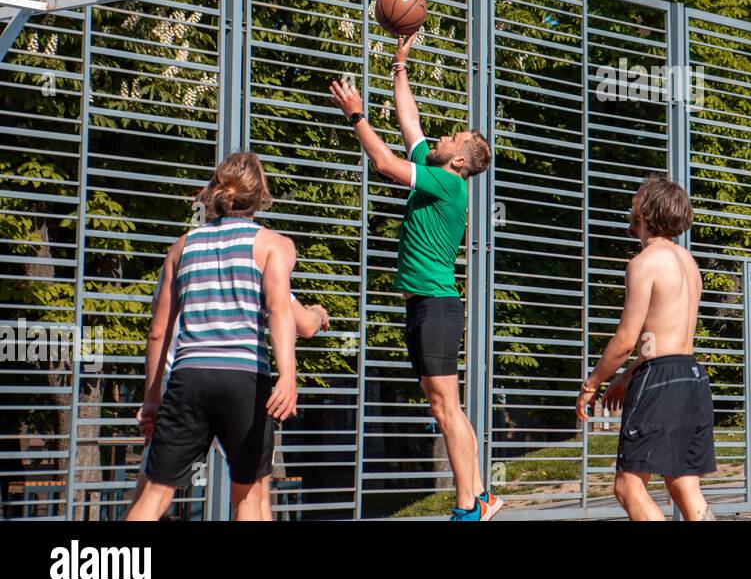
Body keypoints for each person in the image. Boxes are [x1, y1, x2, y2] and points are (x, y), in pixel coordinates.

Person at [329, 34, 498, 521]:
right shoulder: (436, 165)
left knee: (446, 407)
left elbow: (383, 161)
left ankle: (470, 504)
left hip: (438, 307)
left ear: (461, 160)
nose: (445, 137)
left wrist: (357, 116)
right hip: (425, 305)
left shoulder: (448, 183)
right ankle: (482, 496)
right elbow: (411, 124)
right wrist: (400, 65)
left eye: (455, 139)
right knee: (444, 404)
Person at [127, 152, 298, 521]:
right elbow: (281, 311)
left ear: (216, 193)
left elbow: (159, 332)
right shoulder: (274, 245)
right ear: (261, 195)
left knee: (154, 496)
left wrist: (152, 399)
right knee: (249, 498)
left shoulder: (182, 247)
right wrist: (288, 375)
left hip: (190, 380)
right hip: (245, 381)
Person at [577, 175, 716, 521]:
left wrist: (591, 384)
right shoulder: (690, 264)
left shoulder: (643, 264)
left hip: (661, 381)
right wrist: (628, 376)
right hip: (691, 376)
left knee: (628, 486)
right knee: (684, 484)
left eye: (637, 198)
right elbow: (663, 337)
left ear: (645, 209)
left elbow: (626, 340)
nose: (632, 202)